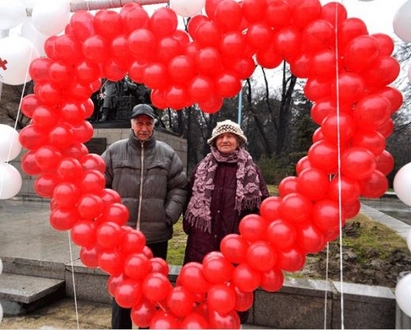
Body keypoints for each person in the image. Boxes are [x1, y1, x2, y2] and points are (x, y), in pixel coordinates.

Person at [101, 104, 188, 329]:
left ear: (153, 126)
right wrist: (108, 219)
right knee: (122, 290)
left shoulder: (167, 153)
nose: (144, 127)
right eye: (139, 123)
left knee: (153, 292)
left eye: (148, 123)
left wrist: (167, 215)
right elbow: (101, 185)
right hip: (123, 237)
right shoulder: (114, 151)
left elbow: (179, 187)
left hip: (155, 236)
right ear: (131, 124)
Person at [183, 119, 269, 324]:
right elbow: (188, 198)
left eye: (230, 136)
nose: (225, 140)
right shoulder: (202, 167)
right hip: (201, 242)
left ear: (239, 141)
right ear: (214, 142)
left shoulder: (251, 170)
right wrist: (191, 228)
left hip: (235, 245)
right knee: (198, 292)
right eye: (220, 137)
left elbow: (262, 206)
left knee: (231, 296)